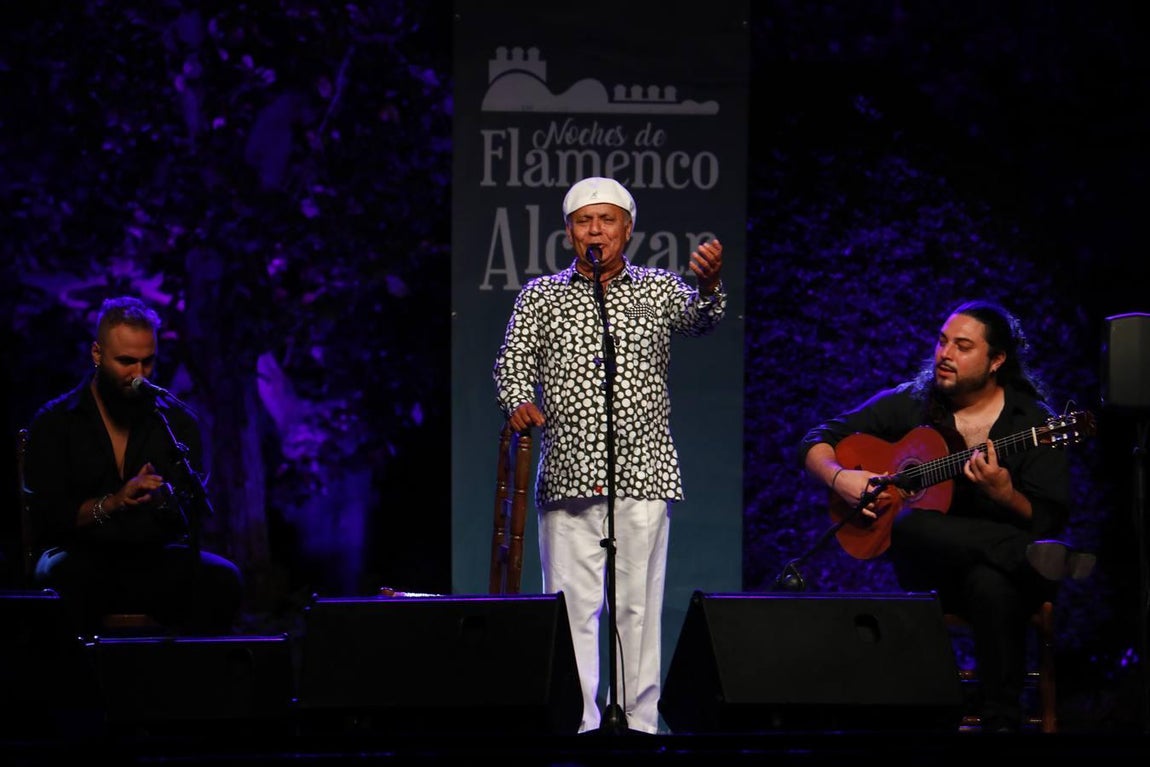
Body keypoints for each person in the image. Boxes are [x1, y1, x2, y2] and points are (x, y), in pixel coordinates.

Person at [493, 176, 727, 734]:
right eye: (584, 221)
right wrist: (519, 400)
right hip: (568, 475)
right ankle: (577, 726)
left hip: (643, 473)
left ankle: (639, 726)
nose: (595, 231)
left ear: (627, 228)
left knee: (637, 609)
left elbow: (701, 319)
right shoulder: (542, 296)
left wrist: (710, 286)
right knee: (571, 610)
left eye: (606, 220)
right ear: (569, 231)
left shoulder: (657, 288)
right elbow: (512, 363)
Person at [799, 298, 1095, 733]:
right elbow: (817, 440)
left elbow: (1048, 517)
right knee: (909, 524)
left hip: (1003, 580)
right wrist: (839, 477)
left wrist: (1006, 495)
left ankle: (1001, 724)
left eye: (962, 346)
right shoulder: (913, 403)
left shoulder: (1034, 423)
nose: (945, 354)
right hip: (935, 570)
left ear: (996, 360)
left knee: (991, 583)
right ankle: (1020, 553)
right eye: (942, 342)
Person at [24, 295, 243, 635]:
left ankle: (184, 669)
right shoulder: (56, 422)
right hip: (79, 556)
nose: (138, 375)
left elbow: (189, 516)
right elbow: (50, 516)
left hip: (151, 556)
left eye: (147, 362)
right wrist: (114, 503)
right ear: (97, 354)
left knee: (222, 580)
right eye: (126, 361)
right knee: (61, 585)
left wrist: (164, 501)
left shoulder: (176, 423)